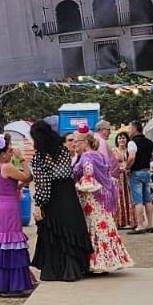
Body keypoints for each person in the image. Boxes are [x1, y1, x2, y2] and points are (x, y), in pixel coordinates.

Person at [29, 120, 93, 281]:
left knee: (54, 233)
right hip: (69, 194)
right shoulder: (63, 151)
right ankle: (73, 270)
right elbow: (67, 173)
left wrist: (39, 204)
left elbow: (43, 184)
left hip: (54, 198)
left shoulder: (39, 157)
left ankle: (55, 271)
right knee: (70, 231)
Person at [0, 134, 34, 297]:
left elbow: (5, 185)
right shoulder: (7, 167)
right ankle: (10, 285)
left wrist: (18, 184)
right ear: (2, 154)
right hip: (8, 208)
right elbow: (28, 176)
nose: (11, 153)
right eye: (9, 151)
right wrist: (22, 159)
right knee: (10, 240)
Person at [73, 132, 133, 273]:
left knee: (94, 226)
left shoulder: (86, 156)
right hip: (101, 198)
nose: (75, 144)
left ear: (85, 142)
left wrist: (83, 180)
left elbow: (88, 171)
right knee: (105, 225)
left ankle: (97, 262)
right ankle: (110, 259)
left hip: (90, 197)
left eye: (77, 141)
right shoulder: (99, 155)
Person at [125, 119, 153, 234]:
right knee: (147, 199)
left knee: (138, 200)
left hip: (136, 172)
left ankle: (140, 225)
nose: (129, 131)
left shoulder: (132, 142)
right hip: (147, 171)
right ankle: (150, 224)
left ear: (134, 129)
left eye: (129, 128)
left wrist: (127, 167)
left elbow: (132, 157)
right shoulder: (149, 142)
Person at [113, 131, 136, 229]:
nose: (121, 140)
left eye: (123, 138)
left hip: (128, 176)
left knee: (129, 198)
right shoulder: (114, 150)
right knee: (119, 198)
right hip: (118, 177)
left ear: (127, 139)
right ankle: (119, 221)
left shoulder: (130, 150)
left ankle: (129, 220)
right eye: (119, 138)